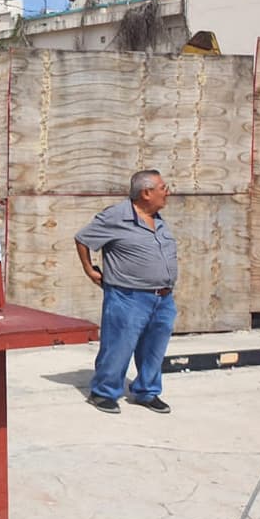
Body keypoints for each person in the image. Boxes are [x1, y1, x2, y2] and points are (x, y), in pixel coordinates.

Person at [74, 169, 178, 415]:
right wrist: (90, 270)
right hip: (128, 297)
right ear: (146, 192)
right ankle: (104, 392)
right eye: (163, 188)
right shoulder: (116, 216)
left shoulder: (158, 218)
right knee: (118, 345)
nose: (168, 192)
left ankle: (147, 392)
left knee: (154, 348)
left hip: (162, 298)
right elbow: (83, 238)